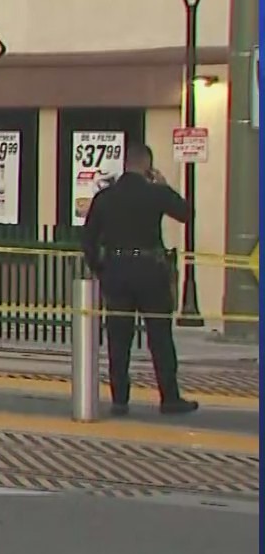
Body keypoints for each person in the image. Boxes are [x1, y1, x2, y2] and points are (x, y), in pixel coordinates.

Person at [79, 140, 197, 415]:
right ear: (148, 166)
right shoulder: (155, 193)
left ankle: (120, 399)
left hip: (117, 270)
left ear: (125, 163)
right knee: (160, 336)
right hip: (150, 270)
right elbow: (186, 214)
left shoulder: (105, 197)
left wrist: (101, 268)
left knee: (119, 338)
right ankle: (169, 397)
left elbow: (88, 239)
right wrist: (164, 186)